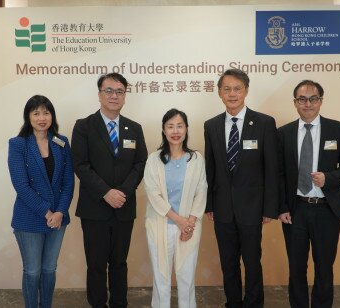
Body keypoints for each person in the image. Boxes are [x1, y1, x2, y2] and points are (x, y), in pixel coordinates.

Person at [204, 69, 280, 307]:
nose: (232, 93)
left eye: (237, 88)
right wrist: (209, 204)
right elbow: (210, 168)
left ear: (246, 90)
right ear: (219, 93)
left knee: (252, 261)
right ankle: (233, 302)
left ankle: (254, 303)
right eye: (226, 89)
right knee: (228, 262)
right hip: (222, 208)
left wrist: (270, 208)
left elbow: (272, 169)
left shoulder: (264, 123)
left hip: (253, 208)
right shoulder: (212, 125)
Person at [71, 72, 148, 307]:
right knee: (96, 264)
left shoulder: (134, 128)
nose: (114, 96)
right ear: (99, 94)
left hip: (123, 207)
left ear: (125, 96)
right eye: (109, 91)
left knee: (119, 263)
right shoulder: (84, 126)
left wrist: (121, 192)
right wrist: (106, 192)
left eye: (119, 91)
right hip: (94, 208)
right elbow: (80, 165)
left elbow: (140, 163)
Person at [278, 80, 340, 308]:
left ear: (321, 100)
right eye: (302, 99)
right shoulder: (283, 133)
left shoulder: (338, 129)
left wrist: (328, 179)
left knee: (324, 266)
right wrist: (281, 207)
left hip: (327, 209)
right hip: (295, 210)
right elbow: (279, 173)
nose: (308, 103)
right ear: (295, 103)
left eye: (313, 98)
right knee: (296, 267)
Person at [8, 95, 74, 308]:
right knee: (33, 271)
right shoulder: (18, 144)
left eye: (46, 112)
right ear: (28, 117)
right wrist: (47, 213)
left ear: (52, 115)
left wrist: (60, 212)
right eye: (36, 113)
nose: (42, 117)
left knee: (49, 269)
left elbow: (68, 182)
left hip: (58, 218)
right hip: (29, 218)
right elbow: (21, 186)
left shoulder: (61, 142)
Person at [144, 109, 207, 308]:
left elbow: (201, 191)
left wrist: (190, 223)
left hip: (189, 227)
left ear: (187, 129)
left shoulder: (196, 159)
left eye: (180, 126)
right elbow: (153, 193)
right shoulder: (154, 159)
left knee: (186, 276)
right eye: (170, 126)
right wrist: (179, 220)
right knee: (161, 275)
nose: (175, 131)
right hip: (159, 225)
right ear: (163, 130)